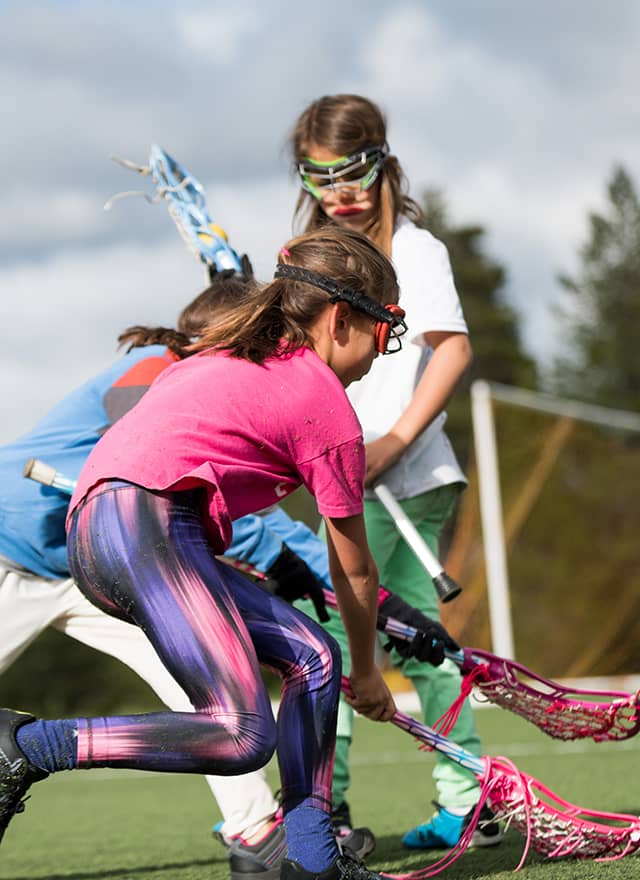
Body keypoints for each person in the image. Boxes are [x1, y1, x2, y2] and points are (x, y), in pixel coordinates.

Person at [0, 225, 405, 880]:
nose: (381, 355)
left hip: (101, 530)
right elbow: (353, 569)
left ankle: (313, 862)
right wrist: (369, 670)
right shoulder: (324, 403)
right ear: (339, 320)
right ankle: (26, 746)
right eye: (385, 334)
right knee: (244, 732)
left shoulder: (225, 356)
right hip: (145, 528)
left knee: (312, 658)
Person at [287, 94, 502, 851]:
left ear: (382, 162)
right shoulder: (312, 256)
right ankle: (449, 802)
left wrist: (396, 440)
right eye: (319, 177)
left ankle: (341, 808)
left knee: (358, 635)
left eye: (353, 172)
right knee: (360, 638)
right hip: (346, 474)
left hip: (405, 475)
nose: (339, 192)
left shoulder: (415, 250)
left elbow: (453, 348)